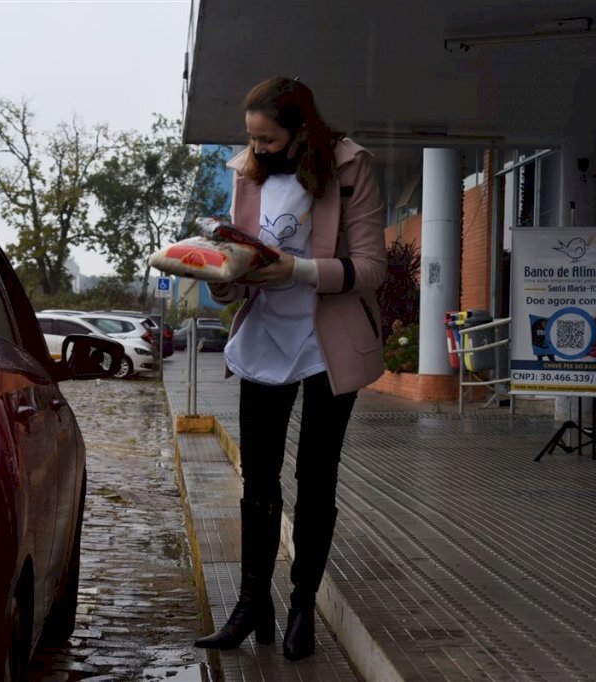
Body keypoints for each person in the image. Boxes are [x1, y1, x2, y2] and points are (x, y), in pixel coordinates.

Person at [193, 76, 386, 661]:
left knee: (316, 475)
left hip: (329, 338)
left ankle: (303, 605)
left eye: (268, 139)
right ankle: (253, 605)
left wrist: (298, 272)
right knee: (259, 478)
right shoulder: (245, 170)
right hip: (266, 336)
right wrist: (224, 279)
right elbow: (244, 254)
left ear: (302, 131)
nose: (258, 150)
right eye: (251, 139)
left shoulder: (353, 167)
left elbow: (372, 268)